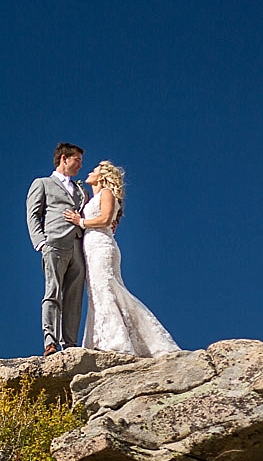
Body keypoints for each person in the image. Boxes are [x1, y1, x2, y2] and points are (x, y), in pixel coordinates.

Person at [63, 161, 179, 356]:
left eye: (94, 170)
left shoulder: (106, 193)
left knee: (106, 288)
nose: (89, 172)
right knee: (97, 291)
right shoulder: (93, 198)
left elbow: (106, 219)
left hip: (102, 246)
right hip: (91, 248)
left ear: (102, 176)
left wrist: (80, 221)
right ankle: (101, 338)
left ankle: (117, 341)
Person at [26, 143, 88, 356]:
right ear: (64, 158)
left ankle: (70, 343)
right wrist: (41, 242)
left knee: (74, 296)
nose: (80, 165)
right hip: (54, 244)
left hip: (78, 247)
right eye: (77, 160)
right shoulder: (42, 183)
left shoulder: (81, 190)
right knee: (52, 293)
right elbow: (33, 214)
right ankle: (50, 341)